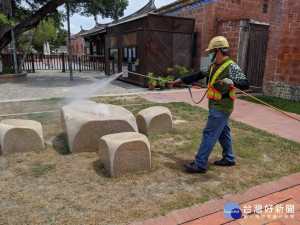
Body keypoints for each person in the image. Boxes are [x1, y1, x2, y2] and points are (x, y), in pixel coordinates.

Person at [174, 36, 249, 173]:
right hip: (216, 105)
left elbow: (245, 83)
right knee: (223, 133)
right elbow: (198, 74)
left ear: (218, 52)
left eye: (211, 52)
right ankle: (229, 158)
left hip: (222, 106)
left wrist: (232, 82)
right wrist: (181, 80)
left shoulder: (231, 67)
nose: (209, 54)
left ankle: (200, 164)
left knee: (209, 133)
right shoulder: (214, 66)